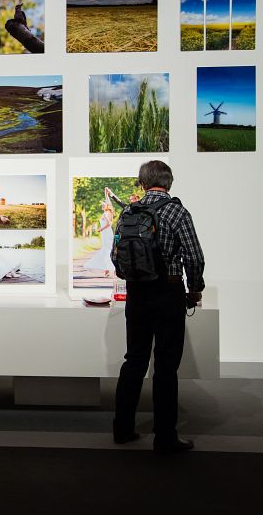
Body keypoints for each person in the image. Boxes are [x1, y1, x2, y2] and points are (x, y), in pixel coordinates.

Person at [111, 160, 205, 453]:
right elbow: (194, 257)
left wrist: (133, 277)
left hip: (137, 294)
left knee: (134, 361)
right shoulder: (176, 211)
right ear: (169, 182)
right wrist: (195, 290)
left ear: (142, 183)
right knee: (165, 367)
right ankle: (164, 436)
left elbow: (116, 257)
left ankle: (122, 429)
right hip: (169, 292)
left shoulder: (128, 211)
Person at [84, 192, 115, 277]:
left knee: (106, 250)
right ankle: (107, 270)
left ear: (107, 206)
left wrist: (100, 229)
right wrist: (106, 192)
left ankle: (109, 270)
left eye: (103, 205)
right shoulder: (107, 212)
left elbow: (109, 224)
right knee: (106, 250)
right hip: (105, 233)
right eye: (102, 205)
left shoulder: (107, 213)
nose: (102, 206)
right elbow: (107, 200)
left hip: (107, 232)